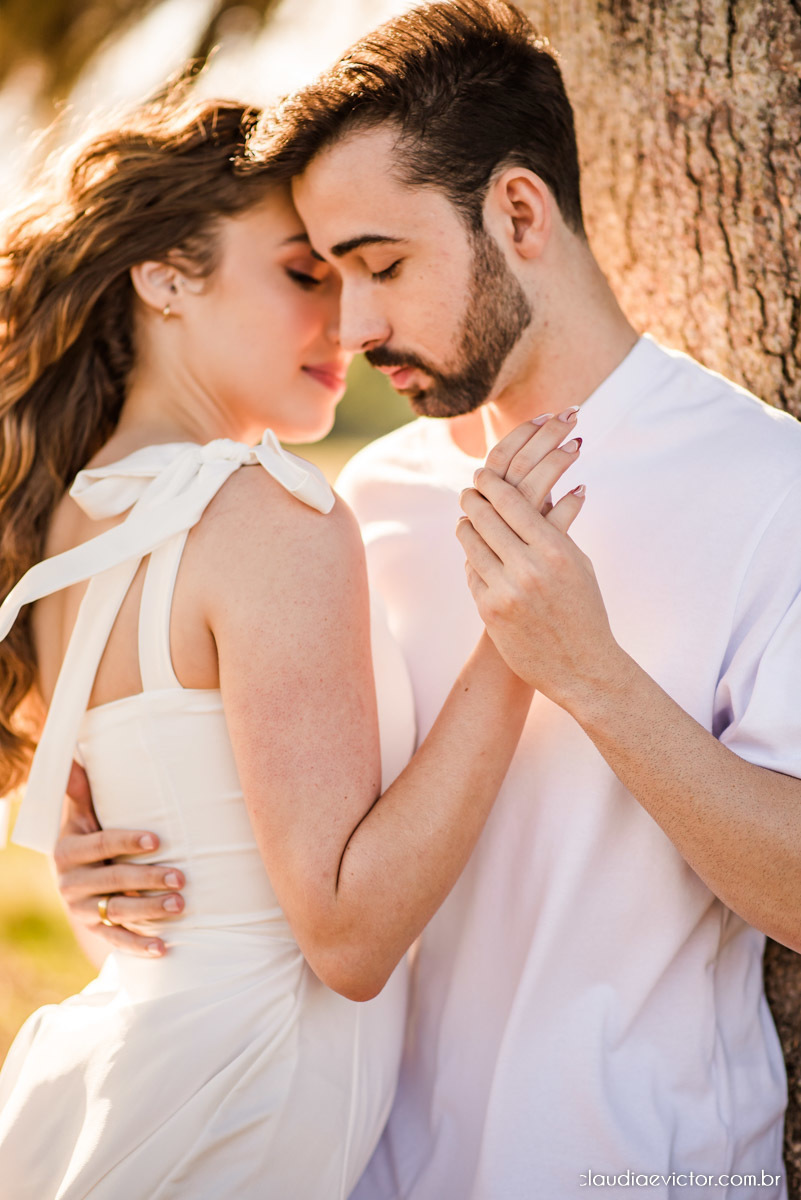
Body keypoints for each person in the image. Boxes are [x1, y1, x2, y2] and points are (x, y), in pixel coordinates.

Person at [59, 2, 801, 1197]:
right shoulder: (378, 492)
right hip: (371, 1171)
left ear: (518, 214)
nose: (351, 329)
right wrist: (126, 856)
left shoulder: (768, 485)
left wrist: (592, 675)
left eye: (382, 266)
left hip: (625, 1168)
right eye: (328, 274)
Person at [0, 89, 585, 1199]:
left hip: (133, 1076)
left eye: (362, 274)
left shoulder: (67, 524)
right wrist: (518, 637)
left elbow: (169, 886)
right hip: (237, 1108)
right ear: (168, 275)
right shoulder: (269, 512)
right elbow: (348, 941)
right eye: (303, 275)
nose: (347, 324)